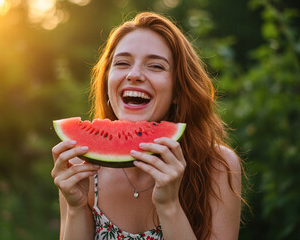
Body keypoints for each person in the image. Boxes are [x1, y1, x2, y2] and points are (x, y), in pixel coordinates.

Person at [51, 12, 243, 240]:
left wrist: (170, 205)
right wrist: (75, 207)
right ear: (107, 82)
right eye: (122, 63)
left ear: (177, 91)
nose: (134, 75)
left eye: (155, 66)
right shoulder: (80, 165)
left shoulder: (217, 167)